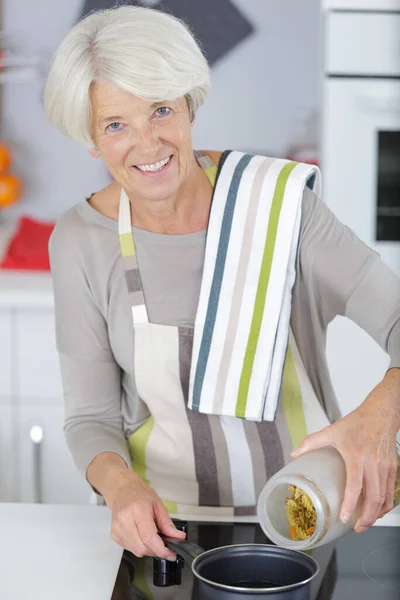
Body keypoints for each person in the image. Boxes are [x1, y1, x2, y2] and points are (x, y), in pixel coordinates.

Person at [44, 6, 400, 562]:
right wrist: (119, 487)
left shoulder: (281, 207)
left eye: (161, 109)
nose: (147, 143)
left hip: (308, 517)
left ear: (189, 104)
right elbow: (90, 419)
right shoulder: (81, 240)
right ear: (91, 138)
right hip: (165, 534)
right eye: (116, 124)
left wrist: (379, 415)